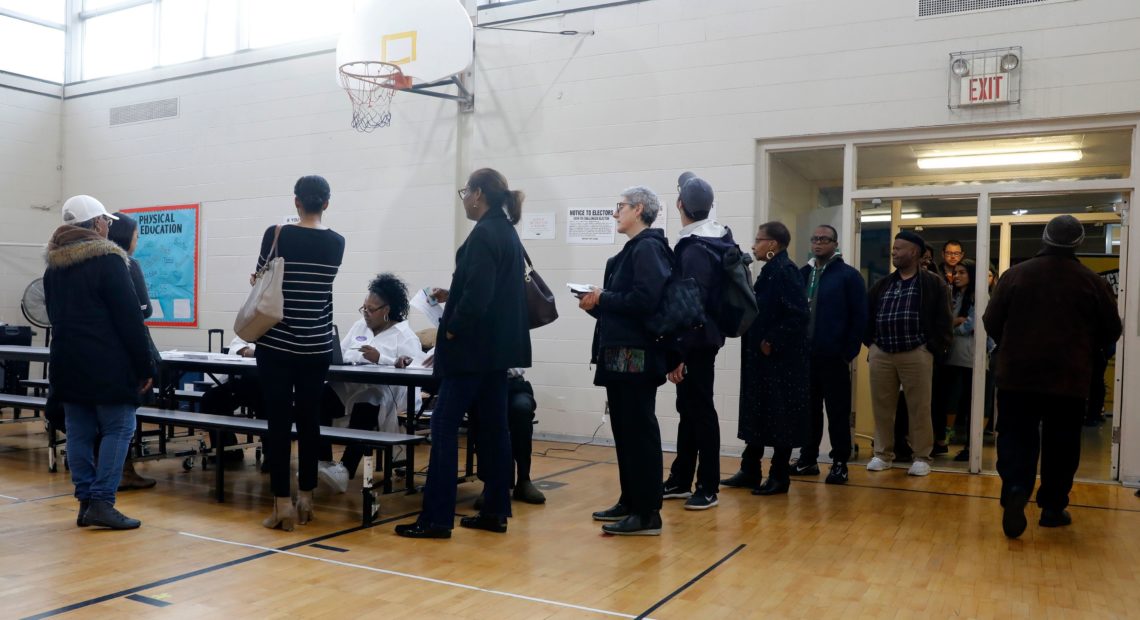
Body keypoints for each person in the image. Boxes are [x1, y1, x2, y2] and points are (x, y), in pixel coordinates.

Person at [395, 168, 531, 539]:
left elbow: (479, 296)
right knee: (494, 429)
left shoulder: (485, 234)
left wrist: (451, 328)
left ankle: (437, 518)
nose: (464, 200)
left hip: (471, 351)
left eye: (465, 192)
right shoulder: (505, 232)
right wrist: (451, 296)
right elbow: (482, 289)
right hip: (495, 352)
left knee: (442, 426)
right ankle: (495, 510)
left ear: (478, 194)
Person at [983, 215, 1121, 538]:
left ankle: (1016, 488)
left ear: (1044, 239)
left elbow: (991, 322)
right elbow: (1112, 329)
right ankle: (1053, 508)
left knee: (1016, 437)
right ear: (1078, 244)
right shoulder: (1093, 282)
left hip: (1017, 376)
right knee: (1062, 444)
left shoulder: (1015, 275)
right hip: (1068, 379)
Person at [45, 195, 155, 529]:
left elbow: (54, 316)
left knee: (79, 432)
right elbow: (129, 319)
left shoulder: (53, 267)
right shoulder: (109, 260)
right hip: (107, 362)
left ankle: (85, 502)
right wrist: (145, 365)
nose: (109, 225)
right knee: (119, 428)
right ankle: (102, 502)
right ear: (96, 224)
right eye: (106, 220)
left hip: (67, 362)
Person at [578, 186, 671, 536]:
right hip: (620, 353)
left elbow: (646, 300)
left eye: (621, 206)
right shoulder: (630, 252)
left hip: (637, 356)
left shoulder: (648, 248)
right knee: (625, 431)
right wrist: (596, 304)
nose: (615, 213)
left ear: (640, 209)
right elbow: (621, 310)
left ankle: (648, 513)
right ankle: (631, 500)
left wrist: (605, 297)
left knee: (638, 431)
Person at [254, 175, 345, 531]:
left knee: (278, 423)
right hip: (318, 345)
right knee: (310, 423)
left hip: (277, 343)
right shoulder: (338, 242)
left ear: (296, 202)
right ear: (326, 203)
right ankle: (306, 499)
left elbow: (261, 279)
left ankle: (280, 505)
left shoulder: (278, 234)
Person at [661, 173, 736, 511]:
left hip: (696, 340)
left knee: (700, 411)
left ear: (680, 205)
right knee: (690, 409)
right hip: (706, 337)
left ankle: (707, 485)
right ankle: (681, 478)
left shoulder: (693, 249)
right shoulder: (719, 238)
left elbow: (689, 307)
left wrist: (678, 353)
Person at [722, 222, 809, 496]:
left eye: (759, 240)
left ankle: (779, 475)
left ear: (773, 244)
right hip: (760, 358)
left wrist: (772, 339)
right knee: (757, 412)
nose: (753, 245)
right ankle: (750, 470)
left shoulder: (786, 271)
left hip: (779, 361)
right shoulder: (770, 271)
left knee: (779, 416)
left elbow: (798, 315)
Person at [317, 273, 424, 493]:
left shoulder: (404, 336)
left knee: (368, 400)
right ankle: (324, 463)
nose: (365, 313)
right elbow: (343, 353)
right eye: (363, 308)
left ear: (386, 310)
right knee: (319, 396)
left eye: (371, 309)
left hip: (389, 396)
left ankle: (345, 469)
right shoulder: (359, 327)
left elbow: (417, 371)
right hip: (352, 387)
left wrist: (383, 359)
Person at [863, 230, 952, 477]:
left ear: (914, 252)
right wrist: (871, 344)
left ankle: (922, 456)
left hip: (916, 352)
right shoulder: (882, 284)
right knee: (882, 407)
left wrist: (931, 348)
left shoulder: (933, 283)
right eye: (894, 247)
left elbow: (944, 320)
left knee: (919, 407)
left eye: (899, 248)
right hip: (882, 352)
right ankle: (882, 454)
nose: (894, 251)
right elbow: (867, 316)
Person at [793, 224, 867, 485]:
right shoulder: (802, 274)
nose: (818, 243)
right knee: (808, 411)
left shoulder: (848, 276)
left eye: (824, 239)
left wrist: (848, 352)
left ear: (835, 243)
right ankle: (808, 459)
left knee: (837, 412)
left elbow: (859, 317)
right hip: (805, 357)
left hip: (834, 356)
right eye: (814, 239)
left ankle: (839, 463)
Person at [106, 211, 160, 490]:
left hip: (97, 352)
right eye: (137, 236)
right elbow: (144, 310)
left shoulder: (91, 263)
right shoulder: (128, 264)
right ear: (127, 237)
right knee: (125, 418)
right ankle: (124, 470)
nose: (137, 242)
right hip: (128, 351)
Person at [473, 368, 547, 507]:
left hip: (514, 385)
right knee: (484, 414)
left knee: (521, 409)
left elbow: (513, 365)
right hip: (484, 386)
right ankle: (490, 484)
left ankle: (524, 480)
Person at [200, 335, 265, 467]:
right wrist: (247, 351)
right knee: (211, 399)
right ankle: (226, 448)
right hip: (238, 382)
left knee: (267, 408)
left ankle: (271, 456)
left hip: (265, 385)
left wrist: (255, 352)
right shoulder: (252, 327)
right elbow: (237, 344)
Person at [939, 259, 980, 462]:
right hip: (953, 354)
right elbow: (946, 321)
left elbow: (971, 325)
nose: (956, 276)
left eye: (962, 272)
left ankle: (971, 446)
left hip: (971, 357)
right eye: (955, 272)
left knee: (971, 402)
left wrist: (953, 327)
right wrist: (954, 323)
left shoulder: (978, 296)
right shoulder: (954, 296)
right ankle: (945, 439)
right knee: (951, 398)